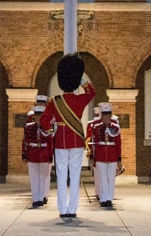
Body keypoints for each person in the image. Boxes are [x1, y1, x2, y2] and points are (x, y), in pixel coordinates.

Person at [39, 53, 95, 219]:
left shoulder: (54, 101)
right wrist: (82, 80)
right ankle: (72, 209)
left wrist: (51, 128)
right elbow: (91, 93)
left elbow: (43, 122)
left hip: (60, 142)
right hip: (76, 141)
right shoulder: (79, 100)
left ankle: (62, 209)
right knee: (75, 175)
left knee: (62, 176)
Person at [90, 102, 122, 208]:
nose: (106, 117)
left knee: (111, 178)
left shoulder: (116, 127)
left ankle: (109, 198)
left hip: (112, 155)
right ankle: (103, 199)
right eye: (104, 114)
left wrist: (119, 158)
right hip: (100, 155)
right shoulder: (96, 127)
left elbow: (118, 143)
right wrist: (93, 157)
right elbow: (94, 143)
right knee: (102, 178)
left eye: (108, 114)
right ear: (101, 116)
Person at [22, 105, 53, 207]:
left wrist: (50, 155)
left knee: (42, 177)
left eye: (40, 116)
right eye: (36, 116)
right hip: (32, 153)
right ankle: (35, 199)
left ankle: (41, 197)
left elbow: (50, 142)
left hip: (43, 153)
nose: (38, 118)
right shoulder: (29, 127)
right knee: (34, 178)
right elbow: (25, 141)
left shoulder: (47, 127)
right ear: (34, 116)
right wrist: (24, 155)